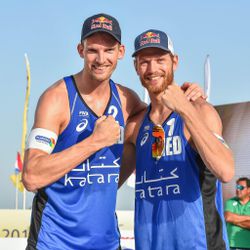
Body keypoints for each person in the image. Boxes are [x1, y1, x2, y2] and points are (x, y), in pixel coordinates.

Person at [22, 13, 205, 249]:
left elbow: (159, 111)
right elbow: (31, 176)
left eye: (108, 50)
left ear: (120, 52)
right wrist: (93, 142)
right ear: (80, 50)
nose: (101, 59)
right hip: (55, 241)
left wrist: (190, 93)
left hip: (106, 242)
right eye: (92, 50)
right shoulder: (57, 99)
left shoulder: (127, 100)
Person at [119, 29, 235, 250]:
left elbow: (226, 170)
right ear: (136, 67)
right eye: (144, 62)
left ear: (175, 62)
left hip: (200, 244)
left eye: (160, 60)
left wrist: (184, 108)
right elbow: (110, 182)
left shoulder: (200, 110)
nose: (152, 69)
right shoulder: (135, 126)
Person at [224, 177, 250, 250]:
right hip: (230, 246)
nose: (238, 190)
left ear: (249, 189)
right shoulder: (230, 202)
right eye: (237, 187)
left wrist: (234, 220)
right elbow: (228, 217)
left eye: (241, 187)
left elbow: (230, 219)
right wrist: (248, 218)